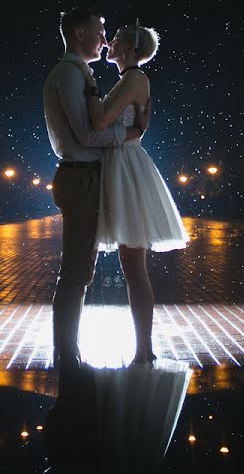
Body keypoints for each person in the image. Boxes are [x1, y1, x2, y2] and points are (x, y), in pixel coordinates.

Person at [42, 8, 150, 377]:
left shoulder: (79, 73)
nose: (105, 40)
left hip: (90, 175)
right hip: (81, 176)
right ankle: (67, 356)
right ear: (77, 34)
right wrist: (131, 134)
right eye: (100, 31)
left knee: (80, 269)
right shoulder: (70, 75)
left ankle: (69, 353)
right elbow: (89, 135)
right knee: (76, 270)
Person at [82, 21, 190, 365]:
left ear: (129, 50)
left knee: (134, 266)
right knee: (131, 266)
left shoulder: (134, 79)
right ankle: (143, 347)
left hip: (125, 167)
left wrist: (88, 91)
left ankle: (144, 348)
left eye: (114, 40)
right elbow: (127, 125)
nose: (108, 43)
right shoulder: (129, 79)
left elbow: (100, 122)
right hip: (118, 161)